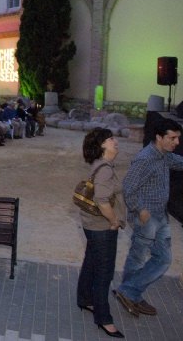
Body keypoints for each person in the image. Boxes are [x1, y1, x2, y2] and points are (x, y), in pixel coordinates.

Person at [114, 118, 183, 317]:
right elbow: (128, 187)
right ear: (159, 137)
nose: (176, 142)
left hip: (160, 216)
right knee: (148, 258)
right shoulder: (145, 158)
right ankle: (129, 292)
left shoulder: (163, 155)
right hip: (147, 218)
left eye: (178, 138)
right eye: (172, 138)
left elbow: (178, 163)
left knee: (157, 258)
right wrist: (140, 209)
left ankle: (130, 292)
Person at [77, 128, 126, 338]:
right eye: (111, 139)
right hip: (102, 228)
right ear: (102, 145)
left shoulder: (101, 165)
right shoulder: (105, 169)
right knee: (104, 272)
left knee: (91, 262)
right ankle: (103, 318)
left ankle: (84, 299)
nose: (116, 141)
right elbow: (102, 200)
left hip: (92, 226)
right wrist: (114, 221)